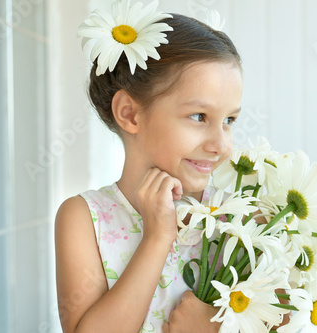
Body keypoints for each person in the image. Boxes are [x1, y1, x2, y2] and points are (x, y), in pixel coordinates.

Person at [54, 1, 243, 332]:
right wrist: (157, 238)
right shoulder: (84, 219)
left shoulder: (236, 218)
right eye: (199, 117)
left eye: (229, 120)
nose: (221, 144)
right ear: (130, 113)